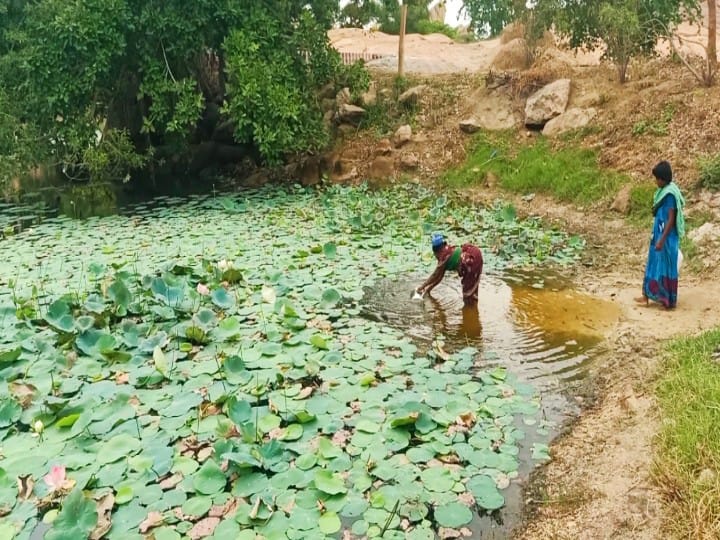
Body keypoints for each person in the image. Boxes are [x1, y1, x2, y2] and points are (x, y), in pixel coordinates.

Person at [635, 160, 685, 309]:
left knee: (665, 266)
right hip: (658, 234)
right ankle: (646, 296)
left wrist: (662, 240)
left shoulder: (670, 194)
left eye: (657, 179)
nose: (656, 182)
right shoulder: (664, 191)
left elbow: (671, 219)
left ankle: (666, 300)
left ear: (663, 179)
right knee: (652, 263)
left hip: (666, 237)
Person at [415, 233, 484, 307]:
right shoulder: (448, 250)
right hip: (475, 253)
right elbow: (439, 277)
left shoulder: (444, 259)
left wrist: (422, 287)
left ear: (436, 252)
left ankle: (470, 313)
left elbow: (435, 275)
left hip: (471, 262)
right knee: (473, 287)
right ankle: (473, 305)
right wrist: (428, 290)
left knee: (467, 294)